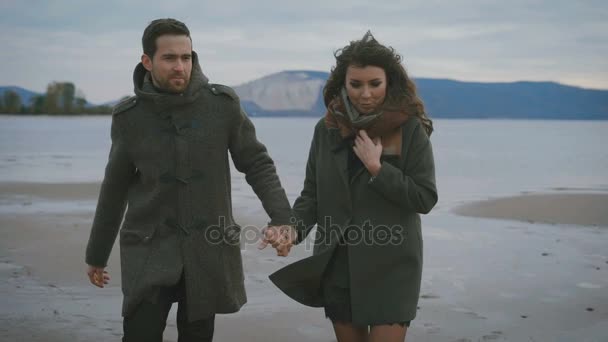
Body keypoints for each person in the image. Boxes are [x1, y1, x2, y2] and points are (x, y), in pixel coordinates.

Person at [85, 18, 292, 341]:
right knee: (139, 334)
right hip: (148, 248)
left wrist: (282, 218)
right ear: (147, 61)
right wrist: (96, 254)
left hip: (206, 248)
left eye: (186, 57)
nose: (180, 66)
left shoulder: (221, 105)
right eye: (169, 58)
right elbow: (115, 188)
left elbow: (256, 163)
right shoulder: (130, 117)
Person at [266, 31, 438, 342]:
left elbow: (424, 197)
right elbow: (311, 196)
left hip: (393, 264)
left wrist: (378, 168)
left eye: (375, 83)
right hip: (338, 264)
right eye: (356, 84)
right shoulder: (326, 129)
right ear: (343, 84)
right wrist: (290, 230)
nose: (365, 93)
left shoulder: (410, 128)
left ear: (390, 83)